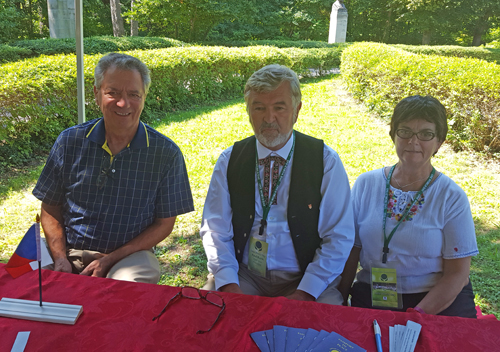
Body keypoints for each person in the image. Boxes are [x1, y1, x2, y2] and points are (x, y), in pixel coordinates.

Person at [33, 53, 194, 284]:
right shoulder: (69, 141)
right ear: (96, 94)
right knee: (25, 282)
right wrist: (60, 258)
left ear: (144, 97)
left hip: (127, 256)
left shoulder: (165, 153)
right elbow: (49, 207)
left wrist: (109, 259)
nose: (123, 103)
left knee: (129, 283)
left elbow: (164, 224)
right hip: (66, 249)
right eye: (113, 93)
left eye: (133, 94)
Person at [200, 64, 354, 304]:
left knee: (318, 333)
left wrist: (305, 292)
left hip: (306, 278)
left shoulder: (325, 161)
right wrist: (229, 284)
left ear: (297, 110)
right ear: (248, 111)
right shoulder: (230, 160)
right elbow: (215, 229)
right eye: (259, 108)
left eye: (279, 108)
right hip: (245, 276)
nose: (268, 118)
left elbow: (339, 236)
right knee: (210, 318)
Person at [339, 95, 478, 318]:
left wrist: (416, 315)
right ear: (393, 134)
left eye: (425, 134)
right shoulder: (366, 184)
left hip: (435, 298)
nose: (413, 142)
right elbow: (350, 251)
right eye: (405, 131)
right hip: (375, 292)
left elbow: (457, 274)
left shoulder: (451, 197)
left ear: (439, 142)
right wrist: (338, 300)